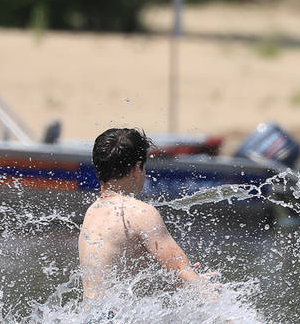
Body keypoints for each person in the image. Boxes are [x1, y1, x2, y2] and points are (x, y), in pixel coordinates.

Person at [79, 127, 206, 302]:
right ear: (137, 167)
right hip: (113, 323)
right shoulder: (140, 212)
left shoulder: (93, 212)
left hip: (91, 321)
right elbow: (182, 272)